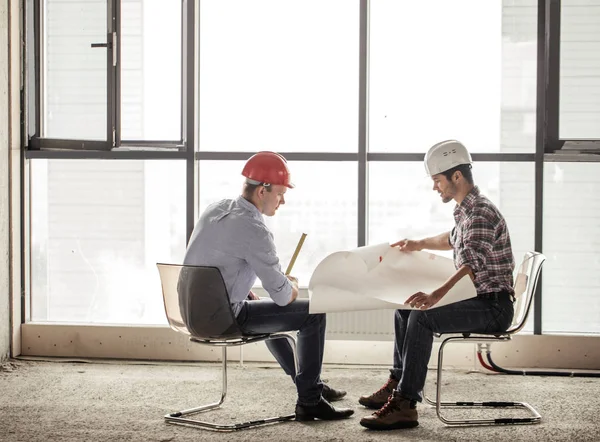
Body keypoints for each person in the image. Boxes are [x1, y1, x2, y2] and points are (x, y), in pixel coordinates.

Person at [183, 151, 354, 421]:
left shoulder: (216, 208)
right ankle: (310, 399)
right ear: (263, 190)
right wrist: (292, 284)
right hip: (221, 320)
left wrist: (242, 289)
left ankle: (307, 383)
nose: (283, 201)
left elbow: (215, 261)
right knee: (313, 312)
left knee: (265, 307)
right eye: (280, 194)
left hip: (190, 314)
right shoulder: (253, 228)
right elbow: (284, 296)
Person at [359, 140, 515, 430]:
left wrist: (435, 295)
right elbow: (453, 238)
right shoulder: (467, 210)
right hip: (480, 300)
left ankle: (405, 404)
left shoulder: (480, 212)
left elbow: (472, 266)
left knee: (422, 315)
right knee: (406, 309)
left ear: (456, 176)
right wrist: (417, 243)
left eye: (437, 180)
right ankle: (398, 381)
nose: (435, 187)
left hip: (493, 307)